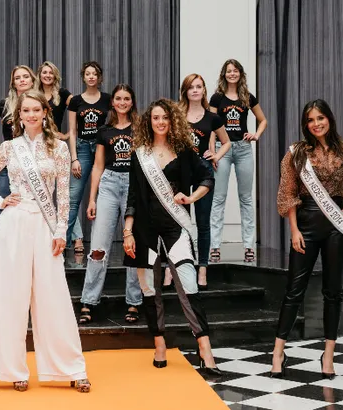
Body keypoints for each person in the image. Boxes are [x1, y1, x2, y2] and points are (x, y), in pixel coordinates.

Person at [0, 90, 90, 393]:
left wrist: (61, 230)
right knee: (11, 296)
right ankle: (13, 369)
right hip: (14, 224)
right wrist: (1, 201)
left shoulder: (60, 148)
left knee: (54, 296)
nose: (31, 115)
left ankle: (70, 368)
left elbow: (64, 195)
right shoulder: (9, 147)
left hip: (45, 225)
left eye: (36, 110)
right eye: (25, 110)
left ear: (45, 113)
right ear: (19, 115)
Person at [123, 99, 221, 375]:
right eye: (155, 118)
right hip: (144, 231)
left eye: (165, 117)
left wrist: (191, 197)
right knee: (150, 292)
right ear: (149, 121)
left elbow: (207, 178)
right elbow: (132, 196)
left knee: (189, 287)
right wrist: (127, 231)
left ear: (172, 120)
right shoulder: (139, 155)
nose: (161, 122)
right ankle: (159, 345)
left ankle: (205, 349)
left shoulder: (184, 150)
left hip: (176, 227)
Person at [270, 99, 343, 379]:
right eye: (310, 120)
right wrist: (294, 230)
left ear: (329, 119)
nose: (316, 124)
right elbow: (288, 194)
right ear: (305, 124)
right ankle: (278, 353)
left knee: (333, 292)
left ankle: (328, 355)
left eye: (320, 118)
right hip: (307, 224)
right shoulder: (297, 153)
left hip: (337, 225)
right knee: (294, 290)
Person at [78, 84, 142, 324]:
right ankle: (88, 300)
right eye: (118, 98)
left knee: (133, 246)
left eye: (127, 98)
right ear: (112, 102)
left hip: (133, 186)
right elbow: (97, 166)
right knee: (98, 247)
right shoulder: (104, 131)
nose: (122, 102)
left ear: (132, 102)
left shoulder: (140, 129)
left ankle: (134, 301)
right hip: (109, 184)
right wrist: (92, 198)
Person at [169, 74, 231, 290]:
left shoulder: (212, 118)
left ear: (204, 90)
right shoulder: (176, 115)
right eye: (191, 87)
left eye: (198, 87)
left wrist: (216, 155)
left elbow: (227, 142)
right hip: (180, 173)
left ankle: (202, 267)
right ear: (185, 91)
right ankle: (174, 267)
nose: (195, 90)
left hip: (203, 173)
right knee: (178, 222)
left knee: (203, 223)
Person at [208, 59, 267, 263]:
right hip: (222, 149)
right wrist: (213, 152)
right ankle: (215, 247)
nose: (232, 74)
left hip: (243, 149)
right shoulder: (217, 98)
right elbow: (211, 127)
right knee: (219, 198)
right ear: (224, 74)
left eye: (235, 71)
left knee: (246, 198)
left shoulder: (247, 97)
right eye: (228, 71)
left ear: (240, 74)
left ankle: (249, 246)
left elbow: (263, 120)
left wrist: (256, 135)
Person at [0, 65, 36, 236]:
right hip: (8, 164)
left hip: (33, 162)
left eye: (25, 76)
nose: (22, 80)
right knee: (3, 205)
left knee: (31, 207)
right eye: (18, 78)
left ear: (32, 81)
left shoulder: (39, 104)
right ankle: (1, 246)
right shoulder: (4, 104)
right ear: (13, 83)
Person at [67, 61, 111, 253]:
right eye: (88, 74)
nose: (91, 76)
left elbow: (113, 126)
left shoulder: (108, 99)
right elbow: (72, 131)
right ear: (83, 77)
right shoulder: (76, 101)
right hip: (83, 148)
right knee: (73, 197)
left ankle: (99, 245)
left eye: (94, 74)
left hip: (103, 149)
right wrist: (74, 158)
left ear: (99, 77)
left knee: (104, 198)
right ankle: (64, 243)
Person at [35, 61, 72, 139]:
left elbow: (81, 110)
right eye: (44, 72)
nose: (48, 75)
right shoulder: (33, 94)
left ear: (55, 76)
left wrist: (67, 135)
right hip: (34, 140)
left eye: (51, 73)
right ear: (39, 75)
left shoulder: (62, 93)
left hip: (54, 141)